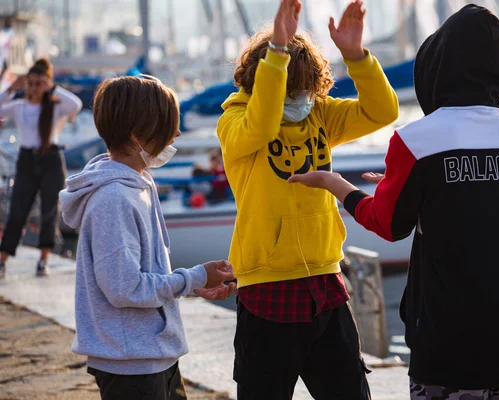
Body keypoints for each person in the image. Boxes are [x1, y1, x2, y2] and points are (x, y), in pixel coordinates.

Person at [290, 5, 499, 400]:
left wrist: (338, 185)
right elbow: (484, 206)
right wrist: (407, 187)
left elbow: (388, 224)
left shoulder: (416, 141)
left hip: (451, 344)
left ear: (437, 64)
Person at [217, 0, 398, 398]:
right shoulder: (234, 123)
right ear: (262, 78)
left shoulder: (319, 115)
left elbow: (383, 111)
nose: (298, 97)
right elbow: (261, 127)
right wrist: (278, 53)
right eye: (288, 88)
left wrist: (356, 57)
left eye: (303, 88)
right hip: (267, 286)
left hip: (325, 281)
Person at [59, 76, 236, 400]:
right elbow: (124, 289)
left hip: (150, 352)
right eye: (169, 126)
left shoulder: (138, 183)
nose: (178, 134)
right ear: (137, 135)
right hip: (130, 362)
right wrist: (193, 276)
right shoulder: (114, 199)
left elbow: (142, 275)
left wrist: (193, 286)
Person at [0, 58, 82, 278]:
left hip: (51, 159)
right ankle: (2, 260)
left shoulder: (55, 107)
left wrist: (52, 87)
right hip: (27, 160)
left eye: (39, 84)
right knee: (18, 211)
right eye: (31, 84)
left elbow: (76, 105)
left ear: (46, 84)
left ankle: (43, 260)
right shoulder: (19, 106)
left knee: (49, 212)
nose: (34, 88)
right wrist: (10, 87)